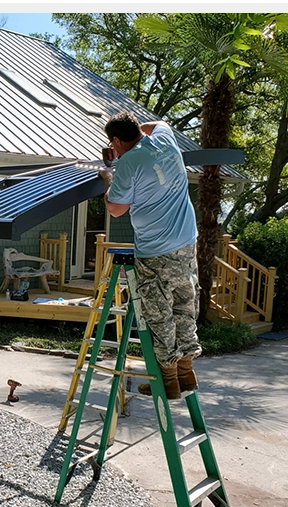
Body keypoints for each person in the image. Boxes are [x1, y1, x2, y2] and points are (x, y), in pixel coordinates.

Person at [98, 110, 200, 400]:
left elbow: (116, 208)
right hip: (186, 242)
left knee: (160, 314)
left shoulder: (129, 162)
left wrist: (108, 177)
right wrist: (135, 135)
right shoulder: (165, 139)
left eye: (113, 143)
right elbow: (158, 125)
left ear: (117, 140)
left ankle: (168, 381)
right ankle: (186, 373)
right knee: (184, 304)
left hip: (155, 250)